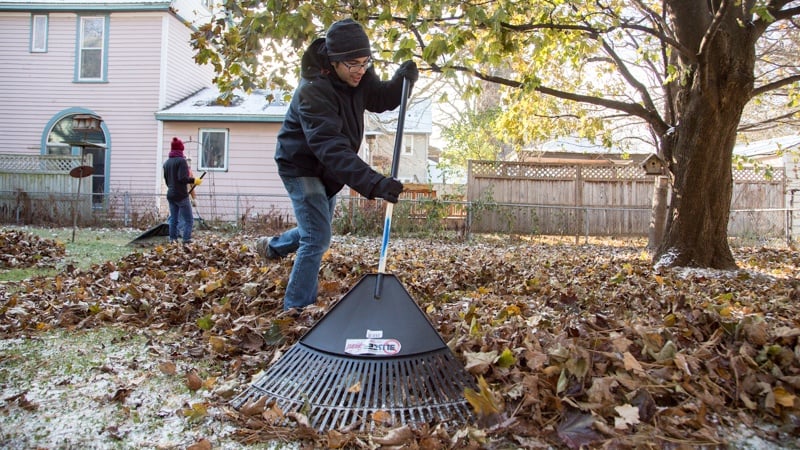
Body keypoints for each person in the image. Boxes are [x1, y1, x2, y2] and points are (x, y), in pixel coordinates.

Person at [256, 18, 418, 311]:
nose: (360, 70)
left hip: (329, 169)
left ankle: (272, 247)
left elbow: (379, 98)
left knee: (316, 230)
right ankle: (296, 309)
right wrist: (375, 183)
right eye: (353, 64)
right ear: (334, 61)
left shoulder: (359, 76)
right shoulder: (313, 90)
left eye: (365, 62)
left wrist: (401, 82)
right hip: (301, 165)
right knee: (318, 236)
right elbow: (331, 148)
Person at [163, 137, 202, 244]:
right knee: (189, 220)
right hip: (181, 195)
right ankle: (186, 240)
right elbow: (183, 178)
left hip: (170, 194)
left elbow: (167, 180)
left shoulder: (167, 163)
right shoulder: (182, 161)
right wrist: (195, 180)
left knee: (173, 220)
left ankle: (172, 240)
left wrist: (172, 188)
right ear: (180, 149)